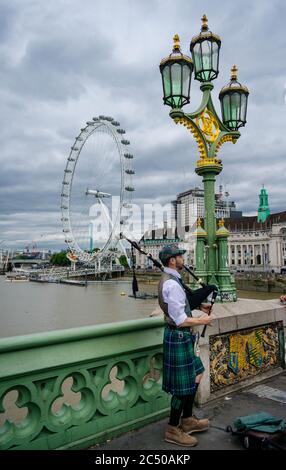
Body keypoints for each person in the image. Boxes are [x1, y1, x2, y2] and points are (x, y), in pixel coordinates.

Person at [158, 245, 214, 447]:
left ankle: (188, 419)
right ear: (172, 260)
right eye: (180, 256)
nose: (183, 258)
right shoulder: (171, 284)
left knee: (197, 374)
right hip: (178, 335)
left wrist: (200, 307)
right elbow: (180, 319)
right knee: (182, 388)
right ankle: (173, 428)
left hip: (182, 337)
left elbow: (180, 305)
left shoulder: (173, 279)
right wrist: (203, 321)